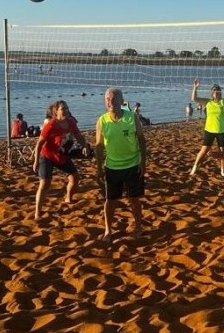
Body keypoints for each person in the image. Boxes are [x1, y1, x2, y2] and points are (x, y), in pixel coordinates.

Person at [95, 87, 147, 242]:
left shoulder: (132, 117)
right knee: (110, 201)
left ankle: (138, 227)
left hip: (132, 164)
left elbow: (141, 139)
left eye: (113, 99)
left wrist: (143, 162)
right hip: (112, 167)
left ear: (121, 101)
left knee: (134, 199)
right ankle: (108, 230)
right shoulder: (102, 120)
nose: (110, 102)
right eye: (107, 99)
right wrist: (98, 168)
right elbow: (99, 146)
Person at [33, 100, 90, 219]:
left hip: (62, 156)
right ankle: (37, 212)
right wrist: (36, 161)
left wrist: (85, 145)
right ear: (56, 112)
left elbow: (79, 136)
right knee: (45, 183)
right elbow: (39, 144)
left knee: (75, 178)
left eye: (67, 108)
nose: (66, 111)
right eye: (63, 109)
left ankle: (68, 198)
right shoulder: (51, 125)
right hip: (47, 156)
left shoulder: (71, 123)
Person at [190, 78, 224, 176]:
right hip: (209, 130)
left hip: (222, 131)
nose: (216, 93)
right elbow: (194, 98)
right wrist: (195, 87)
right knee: (204, 150)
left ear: (220, 93)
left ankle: (222, 170)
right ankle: (195, 166)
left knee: (222, 152)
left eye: (218, 91)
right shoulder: (207, 102)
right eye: (214, 91)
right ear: (212, 93)